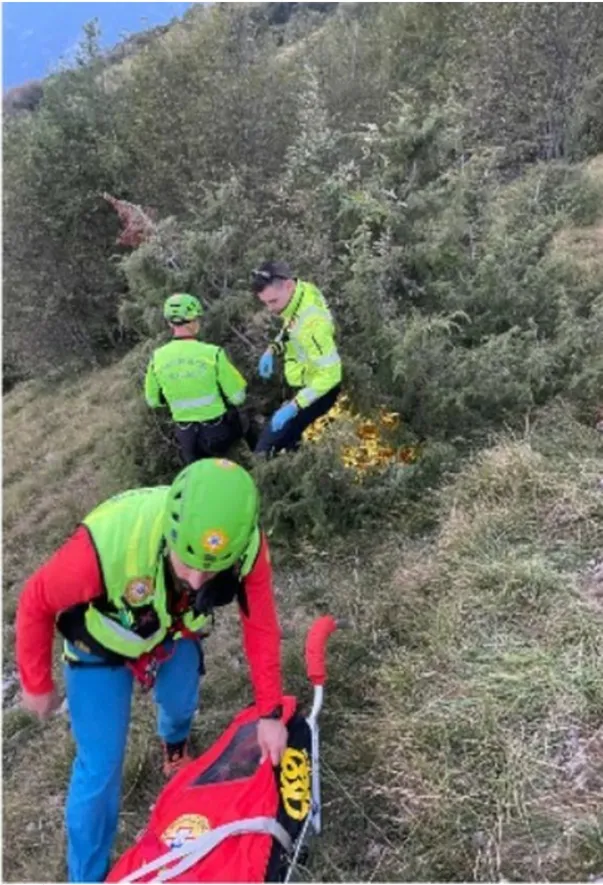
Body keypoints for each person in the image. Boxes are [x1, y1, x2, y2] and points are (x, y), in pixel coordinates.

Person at [16, 458, 286, 883]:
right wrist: (36, 682)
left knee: (180, 702)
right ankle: (86, 876)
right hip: (99, 647)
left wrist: (270, 713)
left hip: (171, 632)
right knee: (100, 765)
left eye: (213, 568)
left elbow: (261, 627)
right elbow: (35, 600)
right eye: (188, 562)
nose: (198, 581)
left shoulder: (247, 545)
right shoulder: (106, 544)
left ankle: (174, 749)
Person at [145, 293, 257, 464]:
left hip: (187, 437)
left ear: (169, 323)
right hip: (217, 433)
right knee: (247, 426)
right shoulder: (212, 353)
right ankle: (260, 464)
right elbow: (238, 397)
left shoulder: (157, 358)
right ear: (193, 322)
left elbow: (152, 401)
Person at [251, 261, 342, 456]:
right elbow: (291, 327)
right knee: (290, 439)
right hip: (303, 381)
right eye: (265, 303)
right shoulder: (299, 295)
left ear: (288, 286)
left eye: (273, 301)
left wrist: (294, 406)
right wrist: (272, 349)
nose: (270, 309)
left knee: (265, 448)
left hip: (317, 391)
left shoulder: (313, 325)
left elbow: (331, 374)